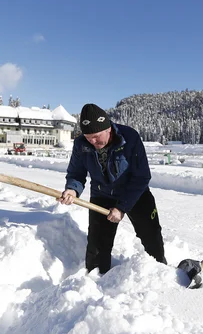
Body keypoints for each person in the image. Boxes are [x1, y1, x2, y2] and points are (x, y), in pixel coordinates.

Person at [58, 103, 167, 274]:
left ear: (108, 128)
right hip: (102, 195)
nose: (92, 142)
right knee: (97, 245)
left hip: (135, 194)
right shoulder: (81, 144)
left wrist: (122, 207)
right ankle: (95, 280)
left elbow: (142, 176)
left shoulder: (129, 137)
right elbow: (76, 172)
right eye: (88, 137)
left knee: (151, 237)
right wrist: (72, 189)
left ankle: (160, 273)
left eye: (96, 136)